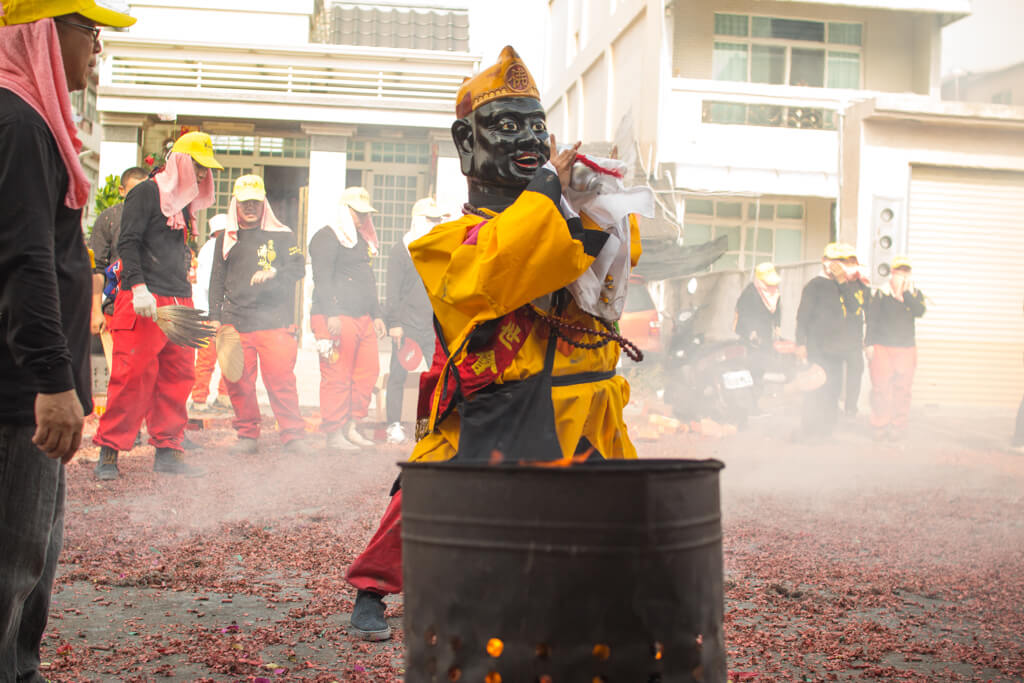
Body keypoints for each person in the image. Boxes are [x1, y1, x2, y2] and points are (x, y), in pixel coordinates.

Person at [343, 45, 645, 641]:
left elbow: (608, 265)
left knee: (614, 512)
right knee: (434, 492)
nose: (529, 138)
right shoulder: (448, 241)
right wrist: (547, 193)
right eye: (506, 127)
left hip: (583, 404)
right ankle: (371, 589)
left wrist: (599, 205)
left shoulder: (553, 213)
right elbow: (504, 268)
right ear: (466, 143)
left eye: (537, 125)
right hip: (501, 406)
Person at [0, 2, 136, 679]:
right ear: (42, 33)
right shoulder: (19, 124)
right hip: (18, 395)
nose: (98, 51)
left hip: (27, 386)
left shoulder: (25, 119)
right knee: (12, 565)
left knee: (30, 567)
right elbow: (25, 261)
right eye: (90, 33)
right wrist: (54, 384)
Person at [91, 131, 222, 479]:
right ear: (181, 162)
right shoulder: (146, 192)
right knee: (130, 376)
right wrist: (138, 288)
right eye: (199, 166)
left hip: (178, 296)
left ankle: (168, 449)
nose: (205, 175)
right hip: (143, 297)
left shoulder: (183, 203)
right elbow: (128, 242)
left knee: (177, 377)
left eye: (207, 169)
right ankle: (109, 451)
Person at [207, 175, 308, 454]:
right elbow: (216, 277)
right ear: (235, 204)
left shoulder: (283, 235)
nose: (250, 207)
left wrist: (275, 271)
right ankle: (247, 435)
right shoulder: (226, 238)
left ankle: (293, 435)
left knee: (281, 380)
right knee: (238, 382)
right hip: (235, 321)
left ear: (264, 202)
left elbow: (299, 268)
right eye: (244, 202)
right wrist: (214, 315)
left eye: (255, 201)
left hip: (274, 321)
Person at [309, 186, 387, 452]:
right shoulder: (326, 237)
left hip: (362, 316)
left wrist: (376, 315)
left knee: (367, 372)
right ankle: (334, 432)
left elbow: (368, 279)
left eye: (366, 214)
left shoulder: (363, 241)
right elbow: (322, 277)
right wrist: (331, 312)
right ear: (345, 209)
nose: (363, 219)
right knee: (337, 374)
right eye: (358, 213)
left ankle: (352, 426)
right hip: (335, 316)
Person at [383, 197, 447, 444]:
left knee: (436, 376)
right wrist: (395, 323)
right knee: (398, 375)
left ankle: (430, 423)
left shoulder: (436, 250)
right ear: (419, 219)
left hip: (432, 324)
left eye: (439, 219)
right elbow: (392, 292)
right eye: (432, 219)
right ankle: (394, 425)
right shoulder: (401, 250)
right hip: (406, 325)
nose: (437, 223)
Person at [90, 165, 148, 368]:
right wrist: (95, 310)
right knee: (117, 373)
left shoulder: (157, 218)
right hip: (115, 309)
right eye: (134, 192)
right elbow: (96, 268)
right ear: (122, 191)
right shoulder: (109, 219)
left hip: (148, 310)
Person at [865, 256, 926, 440]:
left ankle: (898, 426)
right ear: (892, 273)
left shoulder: (915, 293)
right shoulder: (881, 293)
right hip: (882, 346)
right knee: (881, 388)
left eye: (905, 272)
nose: (902, 275)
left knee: (903, 389)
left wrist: (905, 293)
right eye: (899, 272)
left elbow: (919, 311)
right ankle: (880, 424)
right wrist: (868, 344)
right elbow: (872, 319)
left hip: (906, 347)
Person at [795, 243, 849, 438]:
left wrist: (844, 282)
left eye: (840, 261)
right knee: (815, 391)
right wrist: (801, 343)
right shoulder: (814, 286)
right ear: (824, 261)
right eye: (833, 260)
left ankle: (827, 432)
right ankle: (809, 432)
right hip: (818, 349)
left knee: (833, 392)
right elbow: (802, 317)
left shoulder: (844, 286)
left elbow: (854, 308)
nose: (836, 265)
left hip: (837, 350)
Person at [189, 212, 229, 412]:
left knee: (210, 357)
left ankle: (208, 397)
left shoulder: (208, 248)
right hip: (211, 311)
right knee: (211, 357)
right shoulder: (215, 248)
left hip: (209, 310)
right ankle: (202, 398)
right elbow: (208, 283)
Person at [735, 262, 781, 404]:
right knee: (751, 369)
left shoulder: (773, 293)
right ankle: (749, 403)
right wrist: (751, 331)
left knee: (761, 368)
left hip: (765, 334)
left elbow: (777, 311)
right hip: (751, 337)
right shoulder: (750, 292)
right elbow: (743, 313)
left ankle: (755, 399)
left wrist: (777, 326)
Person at [837, 243, 870, 417]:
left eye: (852, 262)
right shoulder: (832, 283)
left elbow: (870, 312)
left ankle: (850, 408)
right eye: (846, 262)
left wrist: (869, 339)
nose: (850, 266)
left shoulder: (862, 285)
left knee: (856, 371)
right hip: (834, 336)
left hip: (854, 338)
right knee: (833, 373)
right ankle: (830, 404)